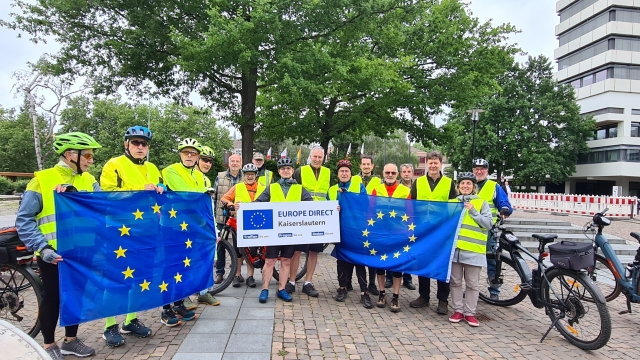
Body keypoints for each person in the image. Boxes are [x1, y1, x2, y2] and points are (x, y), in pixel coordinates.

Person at [16, 132, 101, 360]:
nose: (91, 160)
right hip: (53, 253)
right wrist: (42, 248)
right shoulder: (42, 179)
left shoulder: (89, 180)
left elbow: (104, 208)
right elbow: (24, 220)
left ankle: (70, 341)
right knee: (53, 297)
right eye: (88, 156)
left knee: (76, 296)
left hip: (81, 251)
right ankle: (48, 344)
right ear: (70, 154)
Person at [99, 126, 162, 345]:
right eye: (136, 142)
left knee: (140, 279)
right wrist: (139, 189)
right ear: (126, 144)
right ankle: (109, 325)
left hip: (147, 231)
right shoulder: (114, 164)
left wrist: (161, 189)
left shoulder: (153, 167)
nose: (140, 147)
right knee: (117, 279)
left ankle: (130, 320)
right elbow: (107, 195)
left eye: (144, 144)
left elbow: (158, 192)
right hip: (120, 231)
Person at [160, 138, 212, 324]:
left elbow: (200, 198)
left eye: (193, 153)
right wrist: (201, 191)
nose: (189, 156)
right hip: (172, 226)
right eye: (185, 153)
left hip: (191, 226)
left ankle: (179, 303)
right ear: (180, 154)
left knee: (185, 265)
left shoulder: (200, 176)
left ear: (198, 156)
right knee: (170, 267)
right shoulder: (170, 170)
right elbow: (185, 193)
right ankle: (166, 310)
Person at [251, 157, 314, 303]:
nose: (286, 171)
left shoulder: (299, 189)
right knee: (270, 261)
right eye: (283, 169)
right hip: (274, 232)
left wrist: (331, 209)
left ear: (292, 171)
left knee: (286, 261)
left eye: (289, 169)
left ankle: (282, 289)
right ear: (279, 171)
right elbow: (258, 203)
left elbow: (312, 207)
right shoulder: (272, 187)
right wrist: (244, 207)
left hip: (291, 232)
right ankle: (265, 289)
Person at [409, 150, 456, 315]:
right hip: (423, 229)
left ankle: (443, 300)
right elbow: (411, 205)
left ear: (440, 164)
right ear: (427, 164)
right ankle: (424, 296)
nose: (433, 165)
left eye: (436, 163)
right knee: (423, 262)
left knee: (442, 263)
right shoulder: (418, 182)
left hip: (442, 230)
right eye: (431, 162)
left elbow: (454, 206)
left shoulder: (449, 183)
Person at [449, 172, 492, 327]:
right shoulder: (452, 202)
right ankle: (458, 310)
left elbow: (488, 224)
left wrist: (474, 212)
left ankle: (470, 313)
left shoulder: (481, 203)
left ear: (473, 187)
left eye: (468, 184)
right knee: (454, 282)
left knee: (472, 284)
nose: (465, 186)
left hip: (473, 250)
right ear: (458, 186)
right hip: (455, 250)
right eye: (462, 184)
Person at [329, 159, 374, 309]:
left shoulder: (358, 186)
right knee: (341, 260)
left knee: (359, 260)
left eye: (346, 171)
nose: (344, 173)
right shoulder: (332, 189)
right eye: (341, 171)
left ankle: (364, 291)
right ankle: (342, 288)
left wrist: (349, 197)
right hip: (340, 230)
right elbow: (326, 209)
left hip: (356, 230)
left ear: (350, 174)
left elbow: (365, 204)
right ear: (338, 174)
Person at [287, 146, 329, 297]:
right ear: (310, 157)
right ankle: (291, 282)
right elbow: (293, 191)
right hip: (302, 217)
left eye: (320, 157)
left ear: (323, 158)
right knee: (296, 250)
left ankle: (308, 282)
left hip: (319, 218)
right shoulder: (300, 171)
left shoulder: (327, 172)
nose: (317, 159)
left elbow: (328, 194)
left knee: (314, 251)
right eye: (315, 157)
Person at [370, 163, 411, 313]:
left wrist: (408, 232)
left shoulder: (405, 191)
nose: (390, 175)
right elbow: (370, 211)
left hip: (398, 233)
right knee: (380, 265)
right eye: (387, 172)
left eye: (393, 173)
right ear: (383, 173)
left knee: (396, 266)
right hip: (380, 232)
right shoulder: (377, 189)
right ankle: (382, 293)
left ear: (397, 174)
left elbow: (410, 212)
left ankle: (395, 296)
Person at [472, 158, 513, 300]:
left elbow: (504, 201)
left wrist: (505, 209)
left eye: (482, 169)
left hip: (488, 230)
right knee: (471, 262)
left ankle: (494, 291)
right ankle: (472, 290)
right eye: (476, 169)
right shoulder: (468, 184)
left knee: (491, 260)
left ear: (487, 171)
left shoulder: (493, 186)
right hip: (470, 230)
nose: (479, 171)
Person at [219, 163, 265, 288]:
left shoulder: (263, 187)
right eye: (247, 175)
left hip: (256, 224)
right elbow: (224, 198)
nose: (250, 177)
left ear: (256, 176)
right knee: (238, 250)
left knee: (253, 251)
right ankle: (237, 275)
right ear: (243, 176)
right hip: (239, 223)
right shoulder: (237, 187)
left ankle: (250, 276)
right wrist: (231, 205)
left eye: (252, 174)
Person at [350, 155, 381, 295]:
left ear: (372, 166)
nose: (366, 166)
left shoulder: (378, 181)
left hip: (373, 220)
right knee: (354, 249)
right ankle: (348, 282)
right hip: (357, 219)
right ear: (360, 166)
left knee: (372, 251)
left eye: (368, 164)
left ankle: (372, 283)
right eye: (364, 164)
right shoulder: (353, 179)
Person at [384, 163, 416, 290]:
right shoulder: (384, 188)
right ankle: (389, 278)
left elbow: (412, 210)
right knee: (390, 253)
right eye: (404, 171)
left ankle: (407, 279)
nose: (407, 174)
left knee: (405, 253)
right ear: (401, 174)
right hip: (387, 227)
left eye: (409, 171)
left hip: (403, 227)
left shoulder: (414, 188)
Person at [213, 153, 243, 284]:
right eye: (233, 161)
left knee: (238, 246)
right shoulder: (220, 177)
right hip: (222, 216)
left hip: (239, 217)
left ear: (240, 163)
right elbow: (214, 197)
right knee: (220, 245)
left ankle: (237, 273)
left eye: (237, 161)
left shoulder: (245, 177)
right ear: (229, 163)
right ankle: (220, 272)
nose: (235, 163)